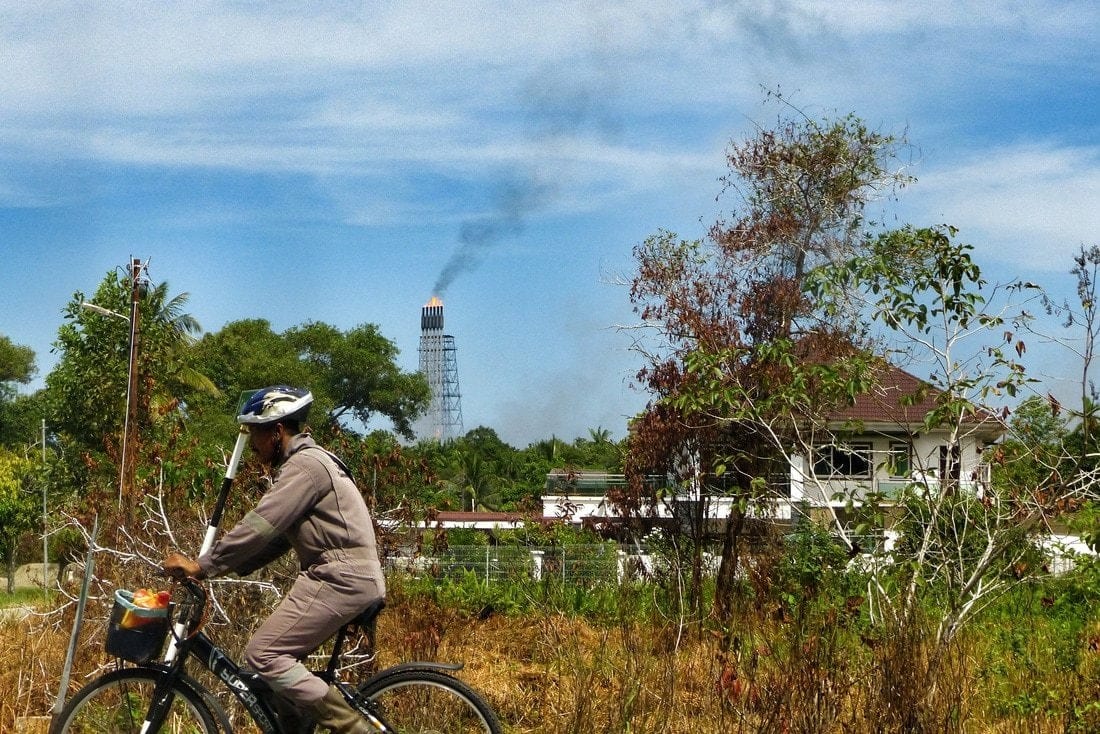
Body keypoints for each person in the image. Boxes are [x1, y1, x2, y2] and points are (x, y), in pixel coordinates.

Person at [164, 385, 383, 734]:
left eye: (255, 433)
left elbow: (260, 526)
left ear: (276, 432)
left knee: (264, 655)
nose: (252, 445)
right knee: (280, 669)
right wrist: (226, 568)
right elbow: (277, 540)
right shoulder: (310, 463)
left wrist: (203, 565)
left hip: (339, 577)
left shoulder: (305, 467)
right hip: (347, 575)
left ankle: (357, 730)